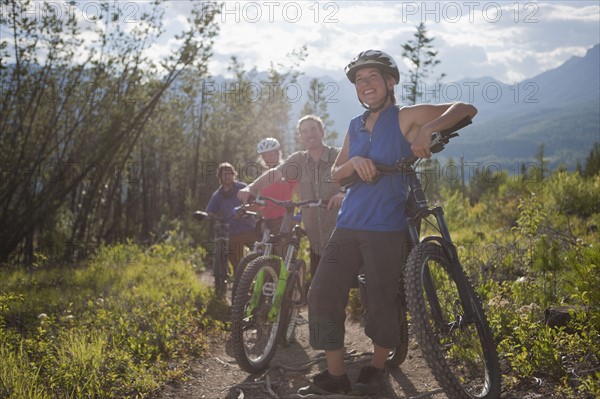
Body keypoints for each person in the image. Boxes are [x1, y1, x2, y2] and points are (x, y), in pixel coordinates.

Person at [299, 50, 478, 396]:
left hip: (386, 225)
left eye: (372, 77)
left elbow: (465, 109)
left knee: (381, 300)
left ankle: (378, 365)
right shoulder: (354, 125)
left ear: (389, 82)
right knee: (321, 292)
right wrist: (354, 162)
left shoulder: (404, 116)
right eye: (359, 80)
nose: (365, 85)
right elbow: (337, 175)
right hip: (348, 224)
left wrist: (427, 129)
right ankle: (336, 376)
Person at [237, 115, 345, 278]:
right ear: (301, 137)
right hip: (316, 242)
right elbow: (276, 173)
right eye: (304, 132)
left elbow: (357, 179)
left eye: (313, 129)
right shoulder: (298, 160)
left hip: (340, 238)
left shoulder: (337, 156)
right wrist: (251, 187)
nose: (310, 134)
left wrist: (344, 192)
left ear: (322, 132)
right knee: (319, 294)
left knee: (350, 285)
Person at [205, 162, 257, 274]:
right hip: (233, 233)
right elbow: (210, 211)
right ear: (220, 177)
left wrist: (247, 208)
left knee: (259, 256)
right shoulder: (217, 195)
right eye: (224, 174)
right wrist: (207, 215)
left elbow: (255, 201)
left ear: (234, 174)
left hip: (249, 229)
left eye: (230, 173)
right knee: (237, 264)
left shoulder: (242, 187)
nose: (227, 176)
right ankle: (240, 286)